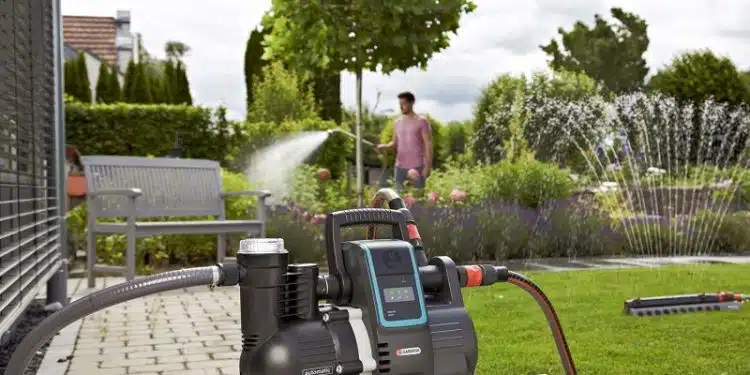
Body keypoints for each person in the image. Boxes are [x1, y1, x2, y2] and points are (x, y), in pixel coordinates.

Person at [376, 91, 433, 190]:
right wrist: (383, 146)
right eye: (400, 104)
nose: (401, 107)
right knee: (398, 199)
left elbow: (428, 144)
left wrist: (428, 166)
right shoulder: (397, 122)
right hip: (400, 167)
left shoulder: (422, 121)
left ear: (412, 103)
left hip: (417, 166)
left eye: (404, 104)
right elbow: (394, 143)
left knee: (417, 199)